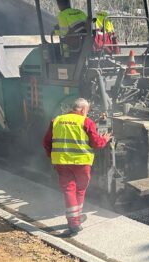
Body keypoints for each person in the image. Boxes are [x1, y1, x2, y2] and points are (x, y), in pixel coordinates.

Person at [42, 98, 112, 234]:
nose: (88, 112)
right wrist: (105, 139)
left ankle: (74, 220)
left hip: (61, 162)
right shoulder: (86, 122)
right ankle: (75, 220)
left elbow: (46, 142)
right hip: (81, 163)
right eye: (87, 110)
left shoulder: (56, 120)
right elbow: (96, 143)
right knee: (80, 190)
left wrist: (53, 156)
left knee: (69, 189)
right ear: (82, 109)